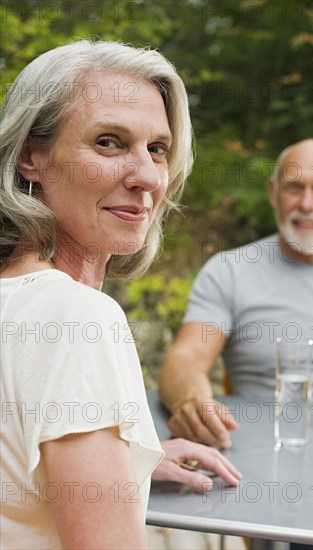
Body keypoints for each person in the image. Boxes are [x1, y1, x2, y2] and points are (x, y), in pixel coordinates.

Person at [0, 40, 241, 550]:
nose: (149, 177)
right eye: (109, 142)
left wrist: (131, 464)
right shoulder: (78, 319)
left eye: (157, 148)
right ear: (29, 157)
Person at [159, 138, 313, 450]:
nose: (307, 204)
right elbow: (186, 358)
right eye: (294, 188)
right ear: (273, 193)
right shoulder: (229, 272)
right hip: (256, 453)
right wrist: (193, 402)